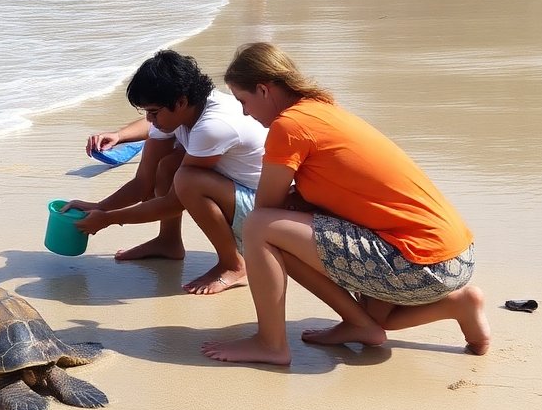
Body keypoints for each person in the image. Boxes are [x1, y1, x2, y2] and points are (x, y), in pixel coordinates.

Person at [201, 42, 489, 366]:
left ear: (264, 90)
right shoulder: (322, 108)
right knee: (378, 320)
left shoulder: (290, 125)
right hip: (454, 257)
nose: (244, 113)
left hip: (419, 263)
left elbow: (265, 209)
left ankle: (271, 344)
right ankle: (460, 304)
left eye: (243, 101)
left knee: (259, 227)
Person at [63, 50, 267, 295]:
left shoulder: (213, 126)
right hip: (236, 195)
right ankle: (168, 242)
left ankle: (233, 264)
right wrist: (100, 207)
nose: (150, 120)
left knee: (189, 180)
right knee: (170, 165)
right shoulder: (184, 110)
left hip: (263, 211)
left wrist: (108, 219)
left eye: (153, 112)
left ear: (180, 102)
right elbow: (143, 183)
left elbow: (174, 202)